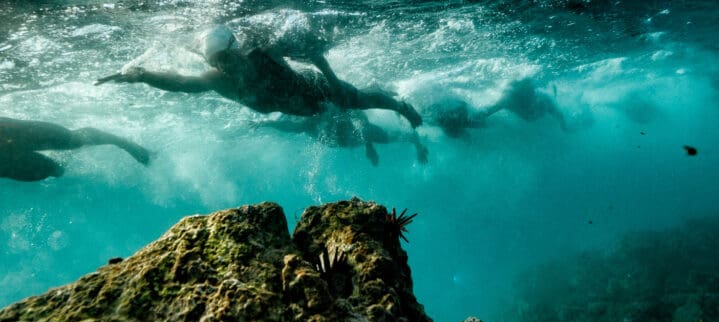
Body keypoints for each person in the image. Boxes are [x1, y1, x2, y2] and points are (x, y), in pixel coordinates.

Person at [96, 26, 422, 128]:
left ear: (237, 51)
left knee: (358, 101)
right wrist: (140, 75)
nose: (225, 66)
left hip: (314, 88)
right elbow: (180, 84)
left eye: (227, 58)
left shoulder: (263, 53)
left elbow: (316, 54)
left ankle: (400, 105)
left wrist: (333, 82)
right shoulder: (216, 79)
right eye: (218, 62)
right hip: (297, 107)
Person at [257, 106, 428, 166]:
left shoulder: (343, 110)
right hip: (339, 138)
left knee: (396, 136)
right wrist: (269, 124)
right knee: (304, 126)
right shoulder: (312, 121)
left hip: (355, 134)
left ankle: (419, 146)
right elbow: (295, 127)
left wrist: (369, 147)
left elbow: (361, 118)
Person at [0, 117, 150, 182]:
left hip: (19, 134)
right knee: (57, 171)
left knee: (74, 140)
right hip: (7, 163)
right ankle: (65, 158)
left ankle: (125, 143)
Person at [429, 77, 569, 138]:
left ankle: (553, 90)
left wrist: (564, 126)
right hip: (529, 116)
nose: (530, 94)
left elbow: (560, 116)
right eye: (527, 92)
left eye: (531, 92)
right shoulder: (510, 99)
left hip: (541, 114)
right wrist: (464, 116)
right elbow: (488, 111)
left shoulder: (543, 100)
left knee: (549, 105)